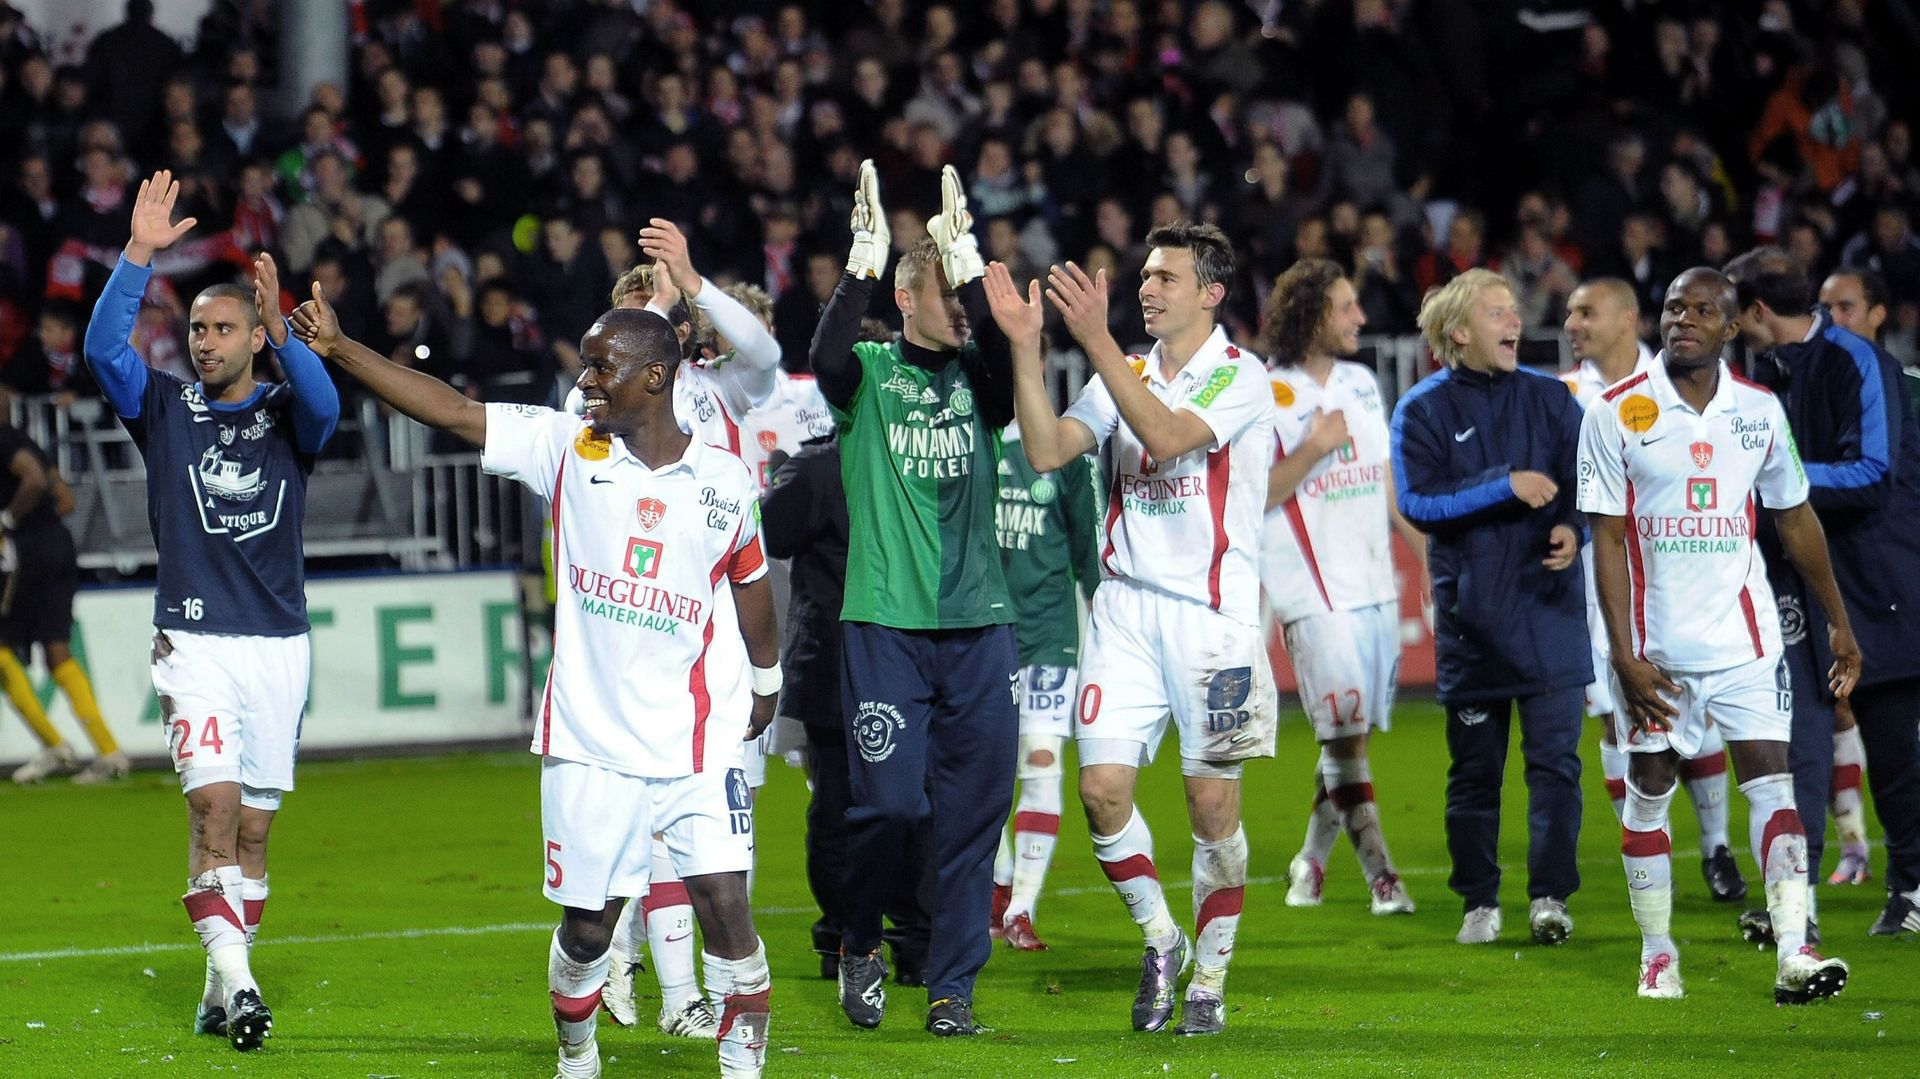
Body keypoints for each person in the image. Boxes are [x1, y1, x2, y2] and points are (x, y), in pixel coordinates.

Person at [291, 294, 777, 1079]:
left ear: (656, 375)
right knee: (590, 929)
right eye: (584, 362)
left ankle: (741, 1068)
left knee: (729, 906)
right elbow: (451, 410)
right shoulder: (566, 447)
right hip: (590, 742)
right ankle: (576, 1054)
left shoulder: (723, 479)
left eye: (600, 366)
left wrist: (766, 680)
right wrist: (342, 348)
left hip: (698, 738)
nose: (584, 380)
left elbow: (751, 581)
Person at [81, 171, 341, 1052]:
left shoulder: (284, 412)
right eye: (195, 328)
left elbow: (328, 403)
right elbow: (102, 354)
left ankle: (214, 985)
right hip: (192, 638)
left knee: (257, 833)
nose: (203, 341)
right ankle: (241, 984)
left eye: (222, 327)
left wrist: (281, 327)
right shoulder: (161, 407)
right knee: (214, 812)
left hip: (279, 643)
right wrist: (138, 255)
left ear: (253, 339)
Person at [1002, 222, 1279, 1036]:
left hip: (1213, 618)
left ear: (1212, 293)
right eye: (1146, 276)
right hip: (1124, 608)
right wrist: (1028, 346)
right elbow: (1050, 449)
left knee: (1211, 807)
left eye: (1166, 277)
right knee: (1099, 790)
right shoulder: (1126, 366)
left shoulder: (1241, 375)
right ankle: (1162, 937)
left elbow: (1163, 435)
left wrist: (1093, 341)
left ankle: (1212, 975)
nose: (1148, 288)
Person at [1577, 266, 1857, 1002]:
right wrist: (1623, 656)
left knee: (1774, 784)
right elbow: (1605, 540)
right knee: (1649, 792)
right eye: (1674, 307)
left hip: (1746, 639)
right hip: (1655, 651)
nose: (1684, 319)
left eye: (1703, 309)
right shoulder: (1614, 411)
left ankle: (1795, 950)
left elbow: (1795, 517)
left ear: (1733, 328)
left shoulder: (1761, 411)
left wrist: (1838, 620)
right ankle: (1658, 951)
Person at [810, 161, 1018, 1037]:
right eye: (941, 286)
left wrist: (968, 262)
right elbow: (821, 357)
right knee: (889, 805)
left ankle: (950, 986)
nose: (959, 304)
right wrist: (860, 258)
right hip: (887, 625)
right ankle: (860, 939)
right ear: (903, 296)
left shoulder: (980, 379)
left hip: (980, 628)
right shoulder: (865, 373)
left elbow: (1008, 367)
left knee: (972, 821)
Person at [584, 222, 785, 1040]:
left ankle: (656, 972)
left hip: (725, 622)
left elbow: (765, 354)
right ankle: (675, 992)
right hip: (640, 621)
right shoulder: (596, 412)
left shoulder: (715, 386)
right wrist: (661, 300)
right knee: (662, 821)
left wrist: (694, 283)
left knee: (723, 826)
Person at [1725, 248, 1920, 939]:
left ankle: (1911, 886)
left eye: (1727, 310)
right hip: (1797, 585)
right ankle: (1794, 900)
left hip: (1875, 586)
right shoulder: (1755, 373)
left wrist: (1772, 481)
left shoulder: (1858, 361)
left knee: (1894, 751)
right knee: (1798, 741)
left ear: (1754, 311)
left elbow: (1871, 472)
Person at [1391, 268, 1589, 947]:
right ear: (1459, 333)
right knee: (1475, 774)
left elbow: (1588, 483)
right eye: (1498, 311)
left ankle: (1550, 896)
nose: (1515, 321)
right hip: (1474, 623)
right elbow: (1418, 502)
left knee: (1557, 765)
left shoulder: (1554, 399)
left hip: (1553, 611)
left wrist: (1574, 527)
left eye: (1514, 310)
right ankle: (1479, 899)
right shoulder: (1421, 409)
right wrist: (1501, 484)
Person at [1561, 278, 1746, 904]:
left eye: (1585, 311)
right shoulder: (1566, 395)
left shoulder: (1689, 382)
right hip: (1607, 589)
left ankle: (1718, 847)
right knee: (1620, 723)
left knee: (1706, 717)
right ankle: (1647, 843)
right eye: (1568, 314)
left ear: (1627, 318)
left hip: (1692, 582)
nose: (1572, 324)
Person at [1255, 258, 1425, 915]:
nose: (1360, 317)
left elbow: (1385, 480)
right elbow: (1257, 494)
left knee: (1348, 740)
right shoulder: (1263, 393)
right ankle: (1384, 876)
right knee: (1346, 736)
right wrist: (1312, 450)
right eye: (1347, 306)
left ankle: (1310, 862)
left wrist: (1426, 553)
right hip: (1309, 589)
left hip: (1374, 585)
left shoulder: (1359, 382)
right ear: (1313, 313)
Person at [989, 411, 1103, 950]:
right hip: (983, 634)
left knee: (1040, 763)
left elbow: (1090, 551)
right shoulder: (973, 439)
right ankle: (998, 884)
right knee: (980, 772)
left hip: (1050, 635)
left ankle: (1021, 909)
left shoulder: (1066, 450)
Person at [1, 423, 125, 785]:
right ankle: (108, 750)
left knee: (2, 650)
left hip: (26, 555)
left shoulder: (5, 441)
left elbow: (35, 481)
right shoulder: (27, 442)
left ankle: (55, 745)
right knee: (58, 652)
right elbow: (65, 500)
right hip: (58, 548)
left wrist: (7, 520)